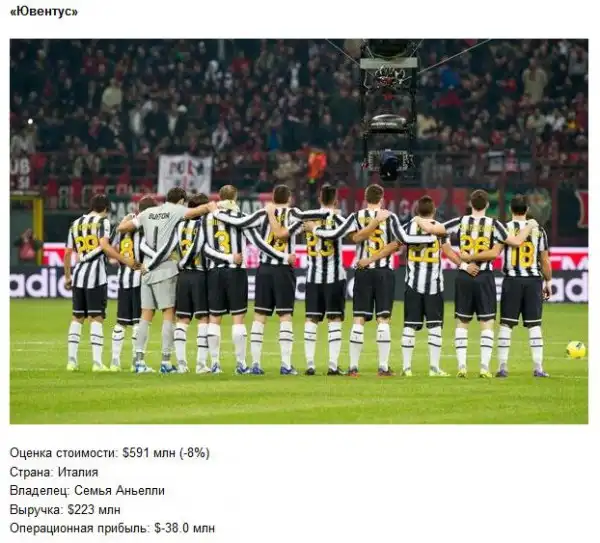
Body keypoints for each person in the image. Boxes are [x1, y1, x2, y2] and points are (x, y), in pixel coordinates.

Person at [305, 183, 435, 376]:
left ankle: (353, 367)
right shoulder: (390, 217)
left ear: (365, 199)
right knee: (383, 319)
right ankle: (383, 367)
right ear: (382, 198)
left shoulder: (356, 216)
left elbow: (340, 235)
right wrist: (430, 238)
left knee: (359, 318)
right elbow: (404, 239)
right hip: (384, 273)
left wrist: (315, 229)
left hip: (363, 271)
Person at [416, 189, 537, 378]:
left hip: (464, 276)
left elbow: (434, 229)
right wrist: (529, 225)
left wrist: (418, 219)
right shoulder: (494, 224)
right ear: (487, 205)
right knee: (486, 322)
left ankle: (462, 366)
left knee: (462, 322)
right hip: (484, 275)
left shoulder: (460, 221)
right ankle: (484, 367)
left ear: (470, 204)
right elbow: (515, 242)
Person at [213, 184, 327, 375]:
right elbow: (313, 217)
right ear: (289, 198)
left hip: (264, 269)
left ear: (273, 197)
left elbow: (241, 222)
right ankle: (286, 365)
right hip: (284, 270)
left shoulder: (262, 213)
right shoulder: (294, 213)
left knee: (259, 317)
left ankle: (256, 364)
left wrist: (216, 212)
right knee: (285, 316)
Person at [358, 195, 475, 376]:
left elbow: (393, 246)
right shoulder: (439, 228)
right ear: (434, 210)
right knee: (435, 327)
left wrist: (371, 259)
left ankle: (407, 368)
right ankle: (434, 368)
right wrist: (465, 266)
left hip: (412, 284)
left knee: (409, 326)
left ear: (416, 210)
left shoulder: (408, 227)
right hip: (434, 285)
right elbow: (448, 252)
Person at [117, 187, 217, 374]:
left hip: (146, 269)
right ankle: (165, 362)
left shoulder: (148, 212)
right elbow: (197, 211)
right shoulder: (177, 210)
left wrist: (126, 218)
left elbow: (122, 228)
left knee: (145, 316)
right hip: (165, 269)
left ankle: (139, 361)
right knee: (168, 315)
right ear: (181, 200)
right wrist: (211, 206)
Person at [201, 185, 291, 375]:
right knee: (238, 319)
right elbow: (259, 243)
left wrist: (223, 257)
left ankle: (215, 364)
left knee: (214, 319)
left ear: (220, 197)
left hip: (214, 272)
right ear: (235, 197)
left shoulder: (207, 218)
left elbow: (204, 248)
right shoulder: (241, 217)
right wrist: (282, 256)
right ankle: (241, 364)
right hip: (236, 272)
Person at [460, 194, 551, 378]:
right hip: (533, 281)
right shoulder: (539, 230)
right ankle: (538, 367)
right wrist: (548, 281)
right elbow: (545, 260)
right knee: (534, 325)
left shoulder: (504, 228)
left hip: (511, 281)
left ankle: (502, 367)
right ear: (527, 209)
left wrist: (468, 258)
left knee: (506, 325)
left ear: (511, 209)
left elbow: (495, 252)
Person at [64, 194, 137, 372]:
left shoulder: (75, 224)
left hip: (78, 274)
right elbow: (104, 246)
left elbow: (67, 253)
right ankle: (97, 363)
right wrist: (124, 260)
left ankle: (71, 361)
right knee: (96, 318)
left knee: (77, 317)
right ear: (105, 208)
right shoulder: (103, 222)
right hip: (96, 276)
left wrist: (67, 276)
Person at [172, 193, 239, 374]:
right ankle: (201, 364)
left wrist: (179, 264)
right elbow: (200, 247)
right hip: (200, 275)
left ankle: (181, 364)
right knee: (203, 319)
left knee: (182, 320)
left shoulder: (179, 225)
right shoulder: (204, 224)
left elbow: (171, 247)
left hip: (183, 276)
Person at [301, 184, 348, 376]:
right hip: (334, 277)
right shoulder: (339, 219)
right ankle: (332, 365)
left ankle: (310, 364)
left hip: (313, 276)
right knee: (334, 319)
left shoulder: (307, 217)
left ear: (319, 199)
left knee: (311, 319)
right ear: (336, 201)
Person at [109, 195, 157, 372]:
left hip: (123, 278)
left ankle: (114, 362)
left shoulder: (123, 226)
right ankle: (137, 362)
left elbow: (111, 247)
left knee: (121, 322)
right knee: (139, 322)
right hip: (140, 280)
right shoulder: (145, 226)